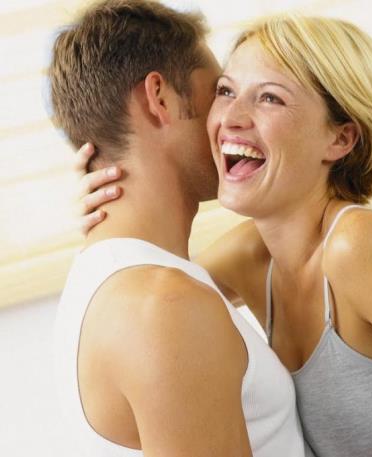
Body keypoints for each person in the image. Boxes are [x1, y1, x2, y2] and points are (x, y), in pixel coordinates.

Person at [78, 13, 372, 457]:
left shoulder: (359, 247)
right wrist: (112, 210)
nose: (232, 117)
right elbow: (151, 307)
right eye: (226, 91)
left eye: (269, 98)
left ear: (340, 139)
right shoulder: (251, 256)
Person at [50, 2, 306, 456]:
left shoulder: (128, 280)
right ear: (160, 98)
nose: (232, 119)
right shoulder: (164, 305)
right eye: (220, 92)